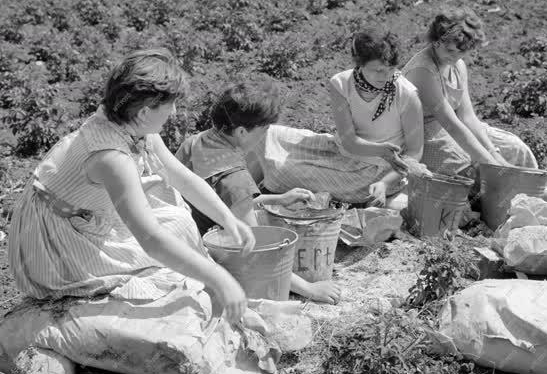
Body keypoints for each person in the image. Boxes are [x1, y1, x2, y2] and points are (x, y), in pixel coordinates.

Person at [8, 49, 255, 324]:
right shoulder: (111, 158)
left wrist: (227, 218)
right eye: (170, 105)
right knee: (162, 274)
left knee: (179, 220)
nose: (174, 112)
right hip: (54, 241)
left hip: (83, 215)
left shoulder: (134, 125)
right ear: (145, 111)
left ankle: (209, 286)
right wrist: (220, 278)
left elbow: (181, 177)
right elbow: (151, 240)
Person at [402, 6, 547, 213]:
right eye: (449, 50)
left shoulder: (457, 65)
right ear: (436, 39)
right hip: (424, 135)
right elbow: (451, 123)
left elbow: (467, 117)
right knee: (477, 168)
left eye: (461, 53)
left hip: (452, 127)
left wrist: (494, 154)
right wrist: (489, 162)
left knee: (513, 148)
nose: (454, 56)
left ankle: (537, 200)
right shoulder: (424, 70)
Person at [176, 81, 342, 305]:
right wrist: (309, 288)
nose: (265, 137)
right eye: (264, 131)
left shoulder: (195, 143)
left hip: (180, 243)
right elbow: (257, 251)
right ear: (242, 131)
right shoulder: (235, 179)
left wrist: (278, 199)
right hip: (211, 260)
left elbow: (220, 200)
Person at [256, 28, 424, 207]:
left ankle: (255, 197)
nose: (386, 76)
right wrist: (381, 150)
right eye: (378, 70)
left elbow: (414, 152)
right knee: (266, 134)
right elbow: (349, 141)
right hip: (341, 151)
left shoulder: (406, 94)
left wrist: (385, 182)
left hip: (376, 172)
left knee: (285, 170)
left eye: (391, 69)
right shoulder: (341, 84)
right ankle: (246, 193)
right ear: (359, 63)